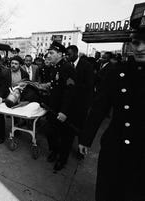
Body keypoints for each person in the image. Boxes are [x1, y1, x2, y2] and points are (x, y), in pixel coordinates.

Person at [78, 4, 145, 200]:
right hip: (115, 148)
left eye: (144, 42)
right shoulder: (118, 73)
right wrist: (86, 137)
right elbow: (100, 107)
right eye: (135, 42)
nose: (139, 47)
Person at [44, 41, 76, 171]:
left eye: (51, 53)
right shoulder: (54, 67)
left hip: (62, 111)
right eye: (49, 52)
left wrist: (64, 111)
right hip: (53, 108)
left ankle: (62, 160)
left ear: (60, 54)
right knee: (50, 133)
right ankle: (54, 151)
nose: (49, 55)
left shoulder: (67, 68)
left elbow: (70, 91)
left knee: (64, 137)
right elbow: (55, 86)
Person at [65, 45, 95, 160]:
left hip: (81, 103)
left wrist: (74, 85)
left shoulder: (87, 66)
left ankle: (80, 149)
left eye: (70, 54)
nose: (67, 56)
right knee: (69, 128)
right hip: (69, 103)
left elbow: (90, 85)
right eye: (66, 54)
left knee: (80, 128)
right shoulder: (67, 66)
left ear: (76, 53)